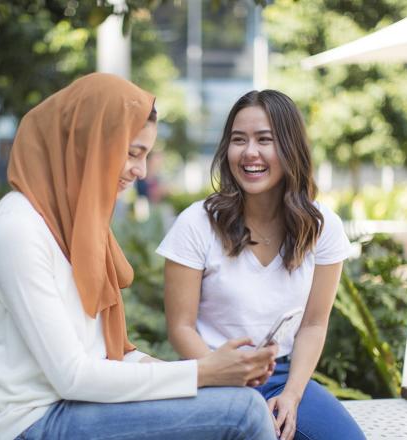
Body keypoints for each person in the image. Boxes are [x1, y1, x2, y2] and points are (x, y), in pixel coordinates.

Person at [0, 73, 279, 440]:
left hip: (73, 407)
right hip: (31, 422)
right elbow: (73, 376)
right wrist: (203, 373)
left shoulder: (74, 223)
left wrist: (213, 374)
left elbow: (112, 355)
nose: (140, 170)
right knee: (243, 412)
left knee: (232, 397)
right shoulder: (18, 230)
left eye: (146, 155)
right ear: (87, 143)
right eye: (132, 152)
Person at [157, 90, 366, 440]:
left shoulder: (322, 226)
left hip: (284, 375)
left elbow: (314, 325)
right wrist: (227, 377)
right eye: (239, 140)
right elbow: (180, 328)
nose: (249, 152)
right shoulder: (196, 223)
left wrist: (293, 396)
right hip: (212, 374)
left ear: (289, 147)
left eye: (264, 140)